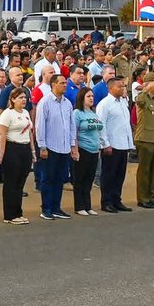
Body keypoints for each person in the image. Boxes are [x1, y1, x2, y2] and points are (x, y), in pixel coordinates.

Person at [34, 74, 77, 222]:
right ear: (53, 85)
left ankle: (56, 207)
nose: (65, 85)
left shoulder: (67, 104)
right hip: (50, 147)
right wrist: (42, 146)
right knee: (48, 179)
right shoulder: (45, 102)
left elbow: (72, 125)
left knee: (60, 179)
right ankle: (46, 208)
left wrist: (72, 145)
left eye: (65, 83)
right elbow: (40, 125)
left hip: (64, 148)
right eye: (62, 83)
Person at [96, 76, 134, 213]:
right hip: (111, 145)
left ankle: (116, 200)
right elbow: (101, 125)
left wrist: (130, 142)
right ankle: (106, 201)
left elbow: (125, 124)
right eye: (120, 86)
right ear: (110, 87)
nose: (123, 88)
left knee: (120, 175)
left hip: (123, 144)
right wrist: (105, 144)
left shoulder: (122, 102)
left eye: (123, 86)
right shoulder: (104, 104)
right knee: (108, 175)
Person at [0, 87, 35, 224]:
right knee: (11, 183)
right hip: (12, 148)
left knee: (20, 183)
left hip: (25, 148)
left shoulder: (25, 112)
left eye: (25, 97)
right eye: (20, 97)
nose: (23, 100)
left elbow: (29, 132)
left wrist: (32, 151)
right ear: (13, 99)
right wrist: (1, 153)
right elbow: (2, 135)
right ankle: (10, 215)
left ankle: (18, 212)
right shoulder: (7, 114)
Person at [134, 73, 154, 209]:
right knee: (144, 170)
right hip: (145, 138)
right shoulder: (143, 97)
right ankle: (143, 198)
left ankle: (151, 196)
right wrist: (147, 87)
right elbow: (138, 99)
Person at [71, 87, 102, 215]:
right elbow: (74, 132)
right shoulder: (77, 113)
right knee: (80, 179)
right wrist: (75, 149)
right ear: (82, 98)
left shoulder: (93, 113)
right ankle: (79, 206)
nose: (91, 98)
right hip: (83, 149)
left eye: (92, 96)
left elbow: (98, 131)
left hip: (95, 150)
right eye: (88, 96)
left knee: (89, 178)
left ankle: (88, 205)